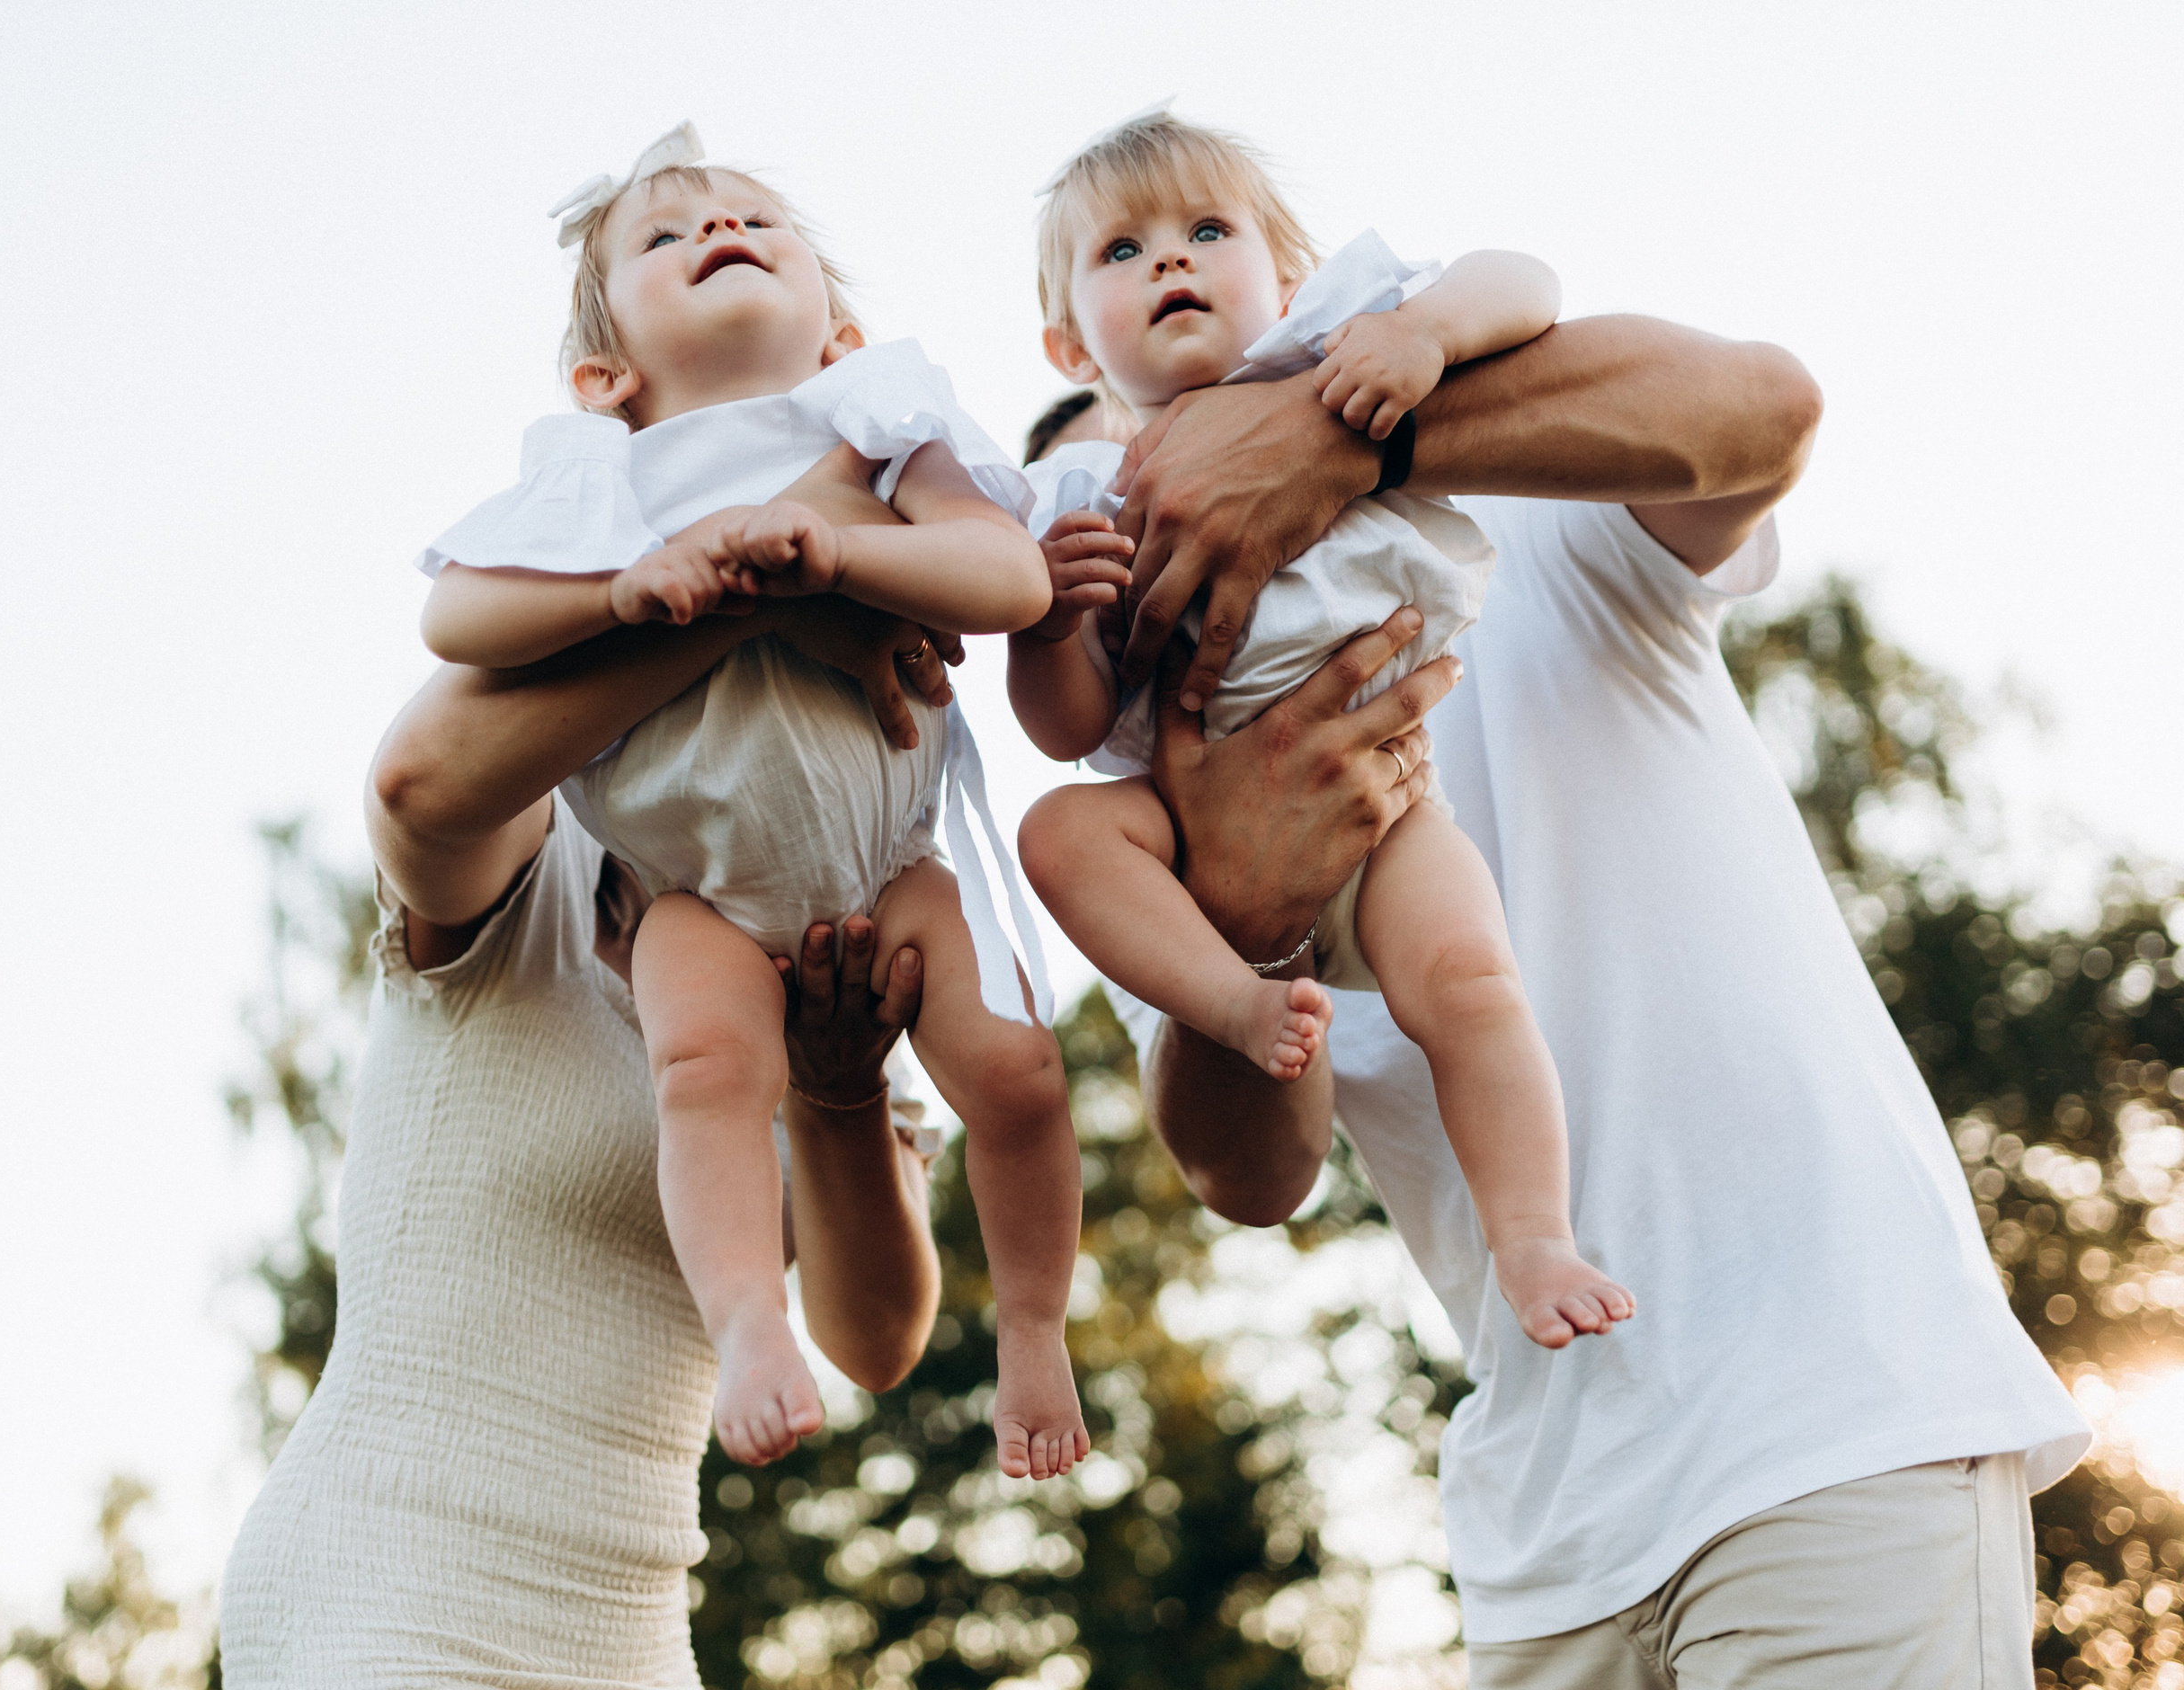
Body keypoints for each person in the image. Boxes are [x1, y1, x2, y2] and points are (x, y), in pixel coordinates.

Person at [1101, 230, 2091, 1680]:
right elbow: (1251, 1176)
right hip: (1546, 1522)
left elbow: (1764, 409)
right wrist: (1249, 914)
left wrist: (1346, 449)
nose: (1159, 501)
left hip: (1833, 1407)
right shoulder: (1154, 779)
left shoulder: (1510, 522)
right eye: (1115, 494)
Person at [414, 125, 1088, 1478]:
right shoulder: (598, 481)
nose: (716, 232)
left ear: (839, 332)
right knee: (705, 1073)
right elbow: (458, 616)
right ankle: (747, 1325)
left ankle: (1035, 1331)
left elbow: (1009, 583)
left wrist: (841, 555)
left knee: (1017, 1073)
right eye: (662, 241)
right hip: (691, 896)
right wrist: (619, 590)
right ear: (606, 375)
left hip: (890, 863)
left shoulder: (878, 422)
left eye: (756, 221)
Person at [218, 582, 958, 1685]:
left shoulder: (825, 958)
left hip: (630, 1625)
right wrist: (754, 604)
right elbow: (414, 785)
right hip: (385, 1581)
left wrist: (836, 1086)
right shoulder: (539, 852)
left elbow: (877, 1336)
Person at [1011, 111, 1630, 1348]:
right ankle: (1239, 997)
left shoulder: (1330, 357)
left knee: (1470, 983)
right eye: (1120, 253)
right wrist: (1043, 620)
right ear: (1071, 341)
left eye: (1205, 230)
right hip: (1192, 842)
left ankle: (1533, 1234)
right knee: (1062, 833)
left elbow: (1525, 283)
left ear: (1285, 278)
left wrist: (1427, 330)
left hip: (1394, 813)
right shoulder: (1079, 494)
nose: (1170, 262)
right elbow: (1071, 726)